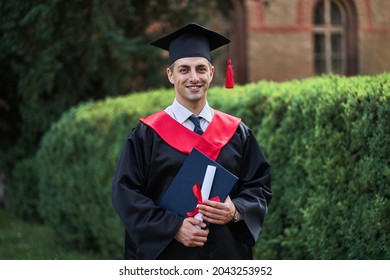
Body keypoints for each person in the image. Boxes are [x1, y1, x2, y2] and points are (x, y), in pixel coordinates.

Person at [112, 22, 272, 260]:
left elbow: (259, 185)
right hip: (169, 257)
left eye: (200, 69)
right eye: (184, 69)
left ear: (211, 73)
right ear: (170, 75)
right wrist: (173, 227)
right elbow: (125, 193)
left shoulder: (238, 132)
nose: (193, 77)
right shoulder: (147, 134)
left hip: (226, 256)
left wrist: (235, 210)